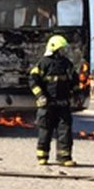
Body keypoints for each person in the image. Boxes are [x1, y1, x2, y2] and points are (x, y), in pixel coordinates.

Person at [29, 34, 80, 167]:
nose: (62, 52)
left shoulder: (67, 64)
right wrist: (40, 96)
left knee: (65, 131)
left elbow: (74, 80)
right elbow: (33, 81)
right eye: (60, 49)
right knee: (45, 131)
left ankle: (64, 157)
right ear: (53, 48)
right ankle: (42, 156)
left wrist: (76, 94)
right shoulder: (43, 64)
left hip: (63, 104)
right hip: (47, 105)